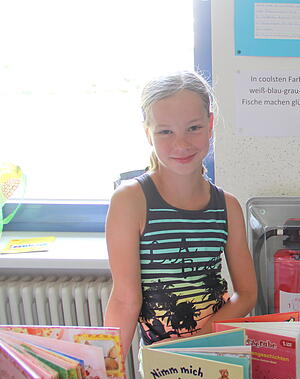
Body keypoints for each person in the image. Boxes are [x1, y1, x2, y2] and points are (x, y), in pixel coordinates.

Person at [104, 71, 258, 358]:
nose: (181, 144)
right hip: (161, 360)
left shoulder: (228, 206)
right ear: (148, 133)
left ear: (210, 125)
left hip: (221, 351)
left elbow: (247, 293)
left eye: (194, 128)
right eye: (165, 131)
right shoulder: (130, 201)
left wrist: (202, 338)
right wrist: (107, 376)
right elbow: (125, 300)